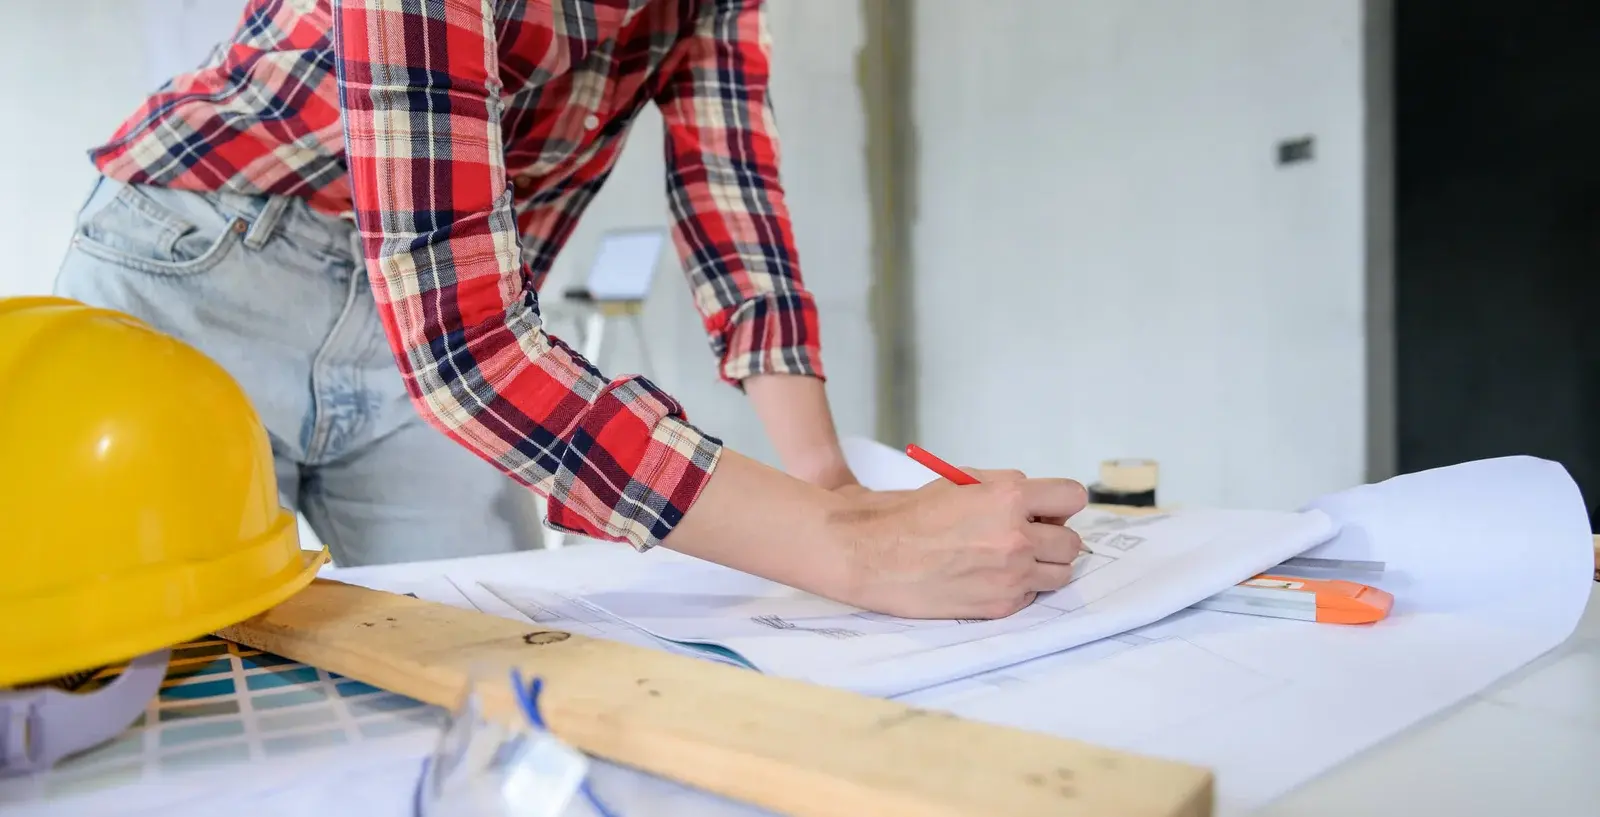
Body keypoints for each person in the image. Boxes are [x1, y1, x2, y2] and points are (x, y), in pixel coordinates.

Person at [55, 0, 1086, 619]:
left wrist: (832, 483)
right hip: (208, 266)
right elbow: (469, 349)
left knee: (484, 656)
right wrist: (848, 550)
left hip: (446, 302)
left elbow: (735, 206)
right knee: (152, 659)